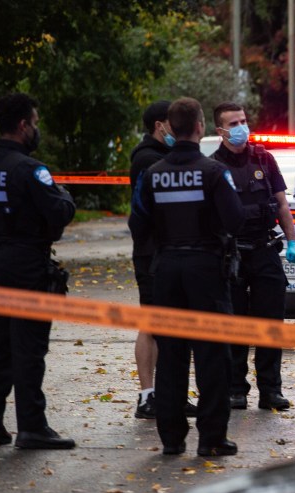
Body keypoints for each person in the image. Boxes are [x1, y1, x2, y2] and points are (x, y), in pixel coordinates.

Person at [131, 97, 246, 456]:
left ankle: (171, 439)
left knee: (172, 356)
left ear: (172, 128)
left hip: (167, 270)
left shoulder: (154, 174)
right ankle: (211, 439)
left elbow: (138, 223)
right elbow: (235, 219)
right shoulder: (213, 173)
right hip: (206, 270)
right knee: (212, 356)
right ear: (198, 127)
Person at [0, 92, 77, 449]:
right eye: (35, 122)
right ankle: (32, 426)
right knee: (29, 347)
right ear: (22, 125)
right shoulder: (32, 170)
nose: (37, 128)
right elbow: (59, 212)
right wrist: (64, 195)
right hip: (26, 263)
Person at [210, 102, 295, 411]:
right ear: (219, 131)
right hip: (231, 254)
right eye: (233, 123)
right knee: (235, 326)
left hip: (264, 250)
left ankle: (270, 390)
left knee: (270, 324)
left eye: (243, 121)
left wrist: (292, 241)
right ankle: (236, 389)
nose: (241, 128)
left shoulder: (264, 158)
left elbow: (281, 203)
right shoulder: (213, 167)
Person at [128, 100, 198, 420]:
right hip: (153, 253)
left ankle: (173, 394)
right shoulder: (147, 160)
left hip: (169, 253)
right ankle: (148, 395)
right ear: (160, 125)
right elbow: (144, 214)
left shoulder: (164, 158)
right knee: (152, 323)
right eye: (172, 122)